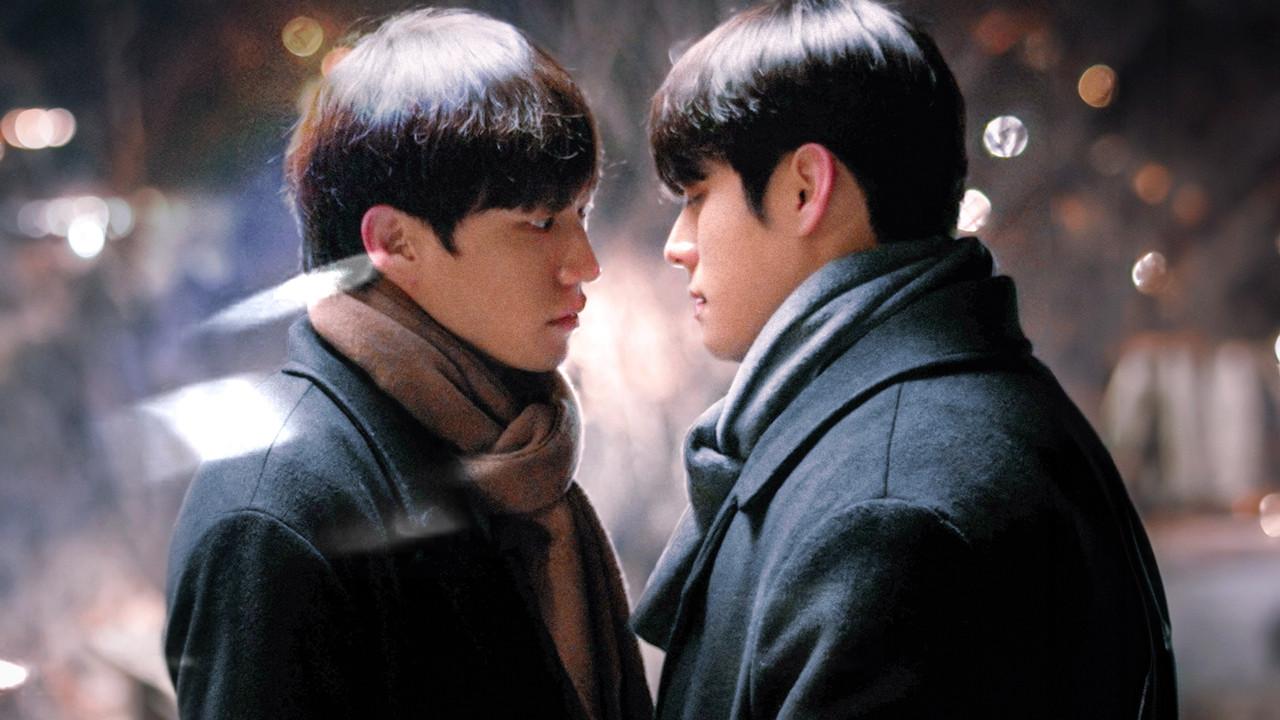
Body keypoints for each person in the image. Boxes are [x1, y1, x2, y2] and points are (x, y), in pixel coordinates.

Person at [632, 0, 1176, 717]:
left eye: (699, 195)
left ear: (804, 188)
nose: (678, 244)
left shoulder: (883, 512)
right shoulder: (985, 402)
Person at [163, 9, 651, 719]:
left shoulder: (515, 447)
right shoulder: (274, 512)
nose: (585, 262)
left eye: (584, 212)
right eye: (540, 222)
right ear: (395, 243)